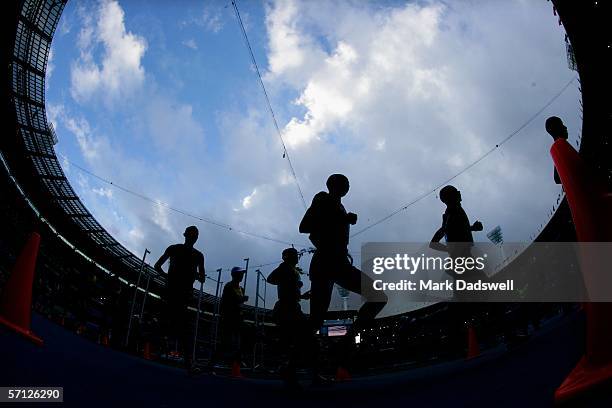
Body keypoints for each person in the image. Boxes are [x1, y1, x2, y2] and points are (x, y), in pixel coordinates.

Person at [299, 174, 388, 379]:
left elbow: (316, 236)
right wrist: (341, 220)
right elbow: (305, 227)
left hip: (336, 263)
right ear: (334, 185)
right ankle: (300, 364)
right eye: (344, 183)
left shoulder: (339, 207)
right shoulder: (323, 199)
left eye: (347, 183)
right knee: (316, 320)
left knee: (378, 297)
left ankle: (341, 347)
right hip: (327, 264)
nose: (348, 186)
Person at [154, 225, 205, 374]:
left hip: (173, 292)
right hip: (181, 294)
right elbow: (202, 278)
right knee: (182, 328)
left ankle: (161, 351)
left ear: (185, 235)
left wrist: (167, 277)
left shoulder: (174, 249)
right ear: (195, 238)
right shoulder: (198, 255)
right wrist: (192, 274)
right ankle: (188, 362)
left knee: (168, 323)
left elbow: (158, 266)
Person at [267, 248, 311, 387]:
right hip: (288, 308)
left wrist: (300, 294)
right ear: (288, 257)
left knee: (295, 340)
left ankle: (288, 370)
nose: (298, 256)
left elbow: (290, 289)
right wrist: (290, 282)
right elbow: (271, 279)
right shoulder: (285, 268)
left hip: (292, 306)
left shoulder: (292, 270)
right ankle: (288, 369)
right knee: (300, 338)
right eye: (294, 254)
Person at [214, 266, 248, 371]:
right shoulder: (229, 286)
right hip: (229, 317)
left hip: (238, 318)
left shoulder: (241, 289)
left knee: (236, 341)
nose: (241, 276)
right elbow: (227, 302)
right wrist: (240, 300)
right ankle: (216, 361)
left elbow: (238, 303)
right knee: (226, 340)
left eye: (242, 274)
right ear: (234, 275)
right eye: (239, 274)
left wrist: (241, 303)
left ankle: (234, 362)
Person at [545, 116, 569, 184]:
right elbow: (557, 178)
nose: (565, 127)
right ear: (554, 129)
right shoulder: (560, 146)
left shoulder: (561, 146)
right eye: (561, 125)